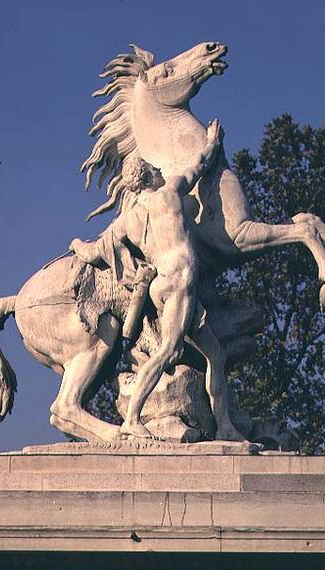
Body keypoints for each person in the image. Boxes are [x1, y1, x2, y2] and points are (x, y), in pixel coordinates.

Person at [70, 119, 230, 438]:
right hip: (180, 277)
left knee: (216, 354)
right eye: (154, 169)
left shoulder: (127, 221)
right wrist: (212, 141)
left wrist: (76, 244)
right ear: (148, 174)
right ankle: (132, 418)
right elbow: (199, 165)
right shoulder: (169, 193)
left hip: (161, 284)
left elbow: (93, 252)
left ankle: (227, 427)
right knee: (167, 352)